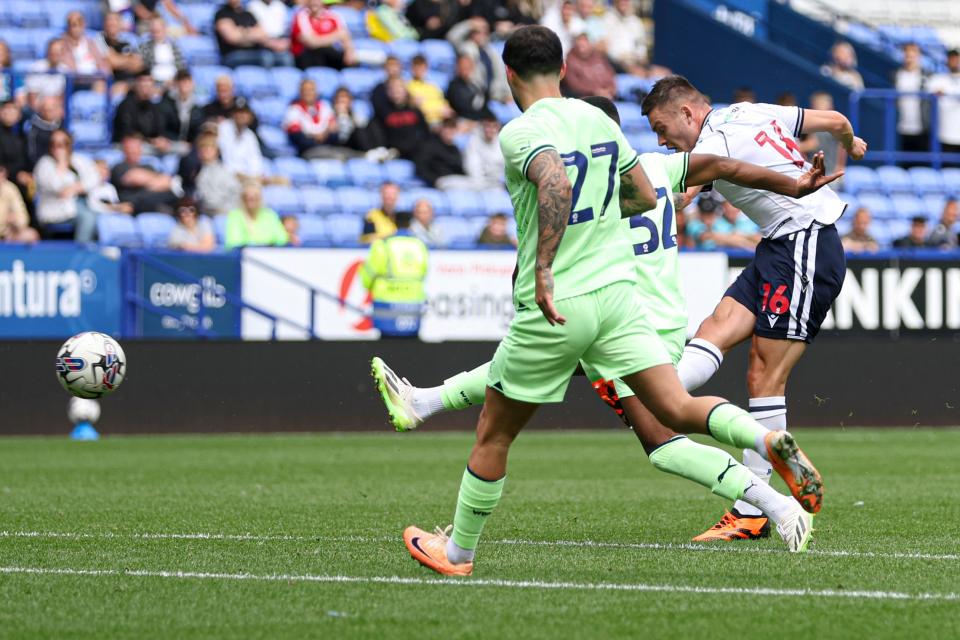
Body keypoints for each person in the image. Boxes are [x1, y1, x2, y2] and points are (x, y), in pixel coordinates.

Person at [383, 29, 827, 576]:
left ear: (508, 74)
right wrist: (793, 183)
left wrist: (544, 263)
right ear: (565, 67)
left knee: (524, 430)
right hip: (625, 307)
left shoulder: (523, 132)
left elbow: (554, 184)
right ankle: (766, 440)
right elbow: (700, 174)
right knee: (674, 408)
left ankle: (457, 553)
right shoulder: (609, 132)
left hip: (567, 302)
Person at [641, 75, 865, 540]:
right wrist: (853, 143)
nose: (661, 141)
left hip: (805, 241)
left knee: (764, 374)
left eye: (662, 128)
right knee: (714, 328)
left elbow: (678, 189)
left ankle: (750, 510)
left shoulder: (713, 143)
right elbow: (838, 120)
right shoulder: (752, 110)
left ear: (687, 113)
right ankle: (657, 394)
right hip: (777, 246)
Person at [360, 211, 429, 338]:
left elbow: (368, 274)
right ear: (410, 225)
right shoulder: (419, 245)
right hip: (413, 306)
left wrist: (369, 287)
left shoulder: (383, 245)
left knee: (386, 351)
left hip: (387, 306)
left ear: (393, 223)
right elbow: (424, 272)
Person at [33, 130, 99, 242]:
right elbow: (58, 188)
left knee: (102, 218)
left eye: (63, 143)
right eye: (54, 144)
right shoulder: (44, 164)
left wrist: (75, 188)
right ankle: (80, 253)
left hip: (84, 203)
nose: (59, 147)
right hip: (56, 210)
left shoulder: (79, 159)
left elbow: (94, 178)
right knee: (88, 218)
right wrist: (61, 163)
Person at [446, 17, 510, 103]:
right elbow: (452, 36)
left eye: (485, 32)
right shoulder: (466, 47)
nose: (482, 35)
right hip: (473, 94)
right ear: (471, 34)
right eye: (477, 32)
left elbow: (500, 74)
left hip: (493, 96)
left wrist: (505, 94)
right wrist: (470, 24)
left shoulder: (491, 51)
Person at [111, 135, 181, 214]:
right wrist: (155, 181)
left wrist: (148, 181)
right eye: (130, 148)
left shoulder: (148, 166)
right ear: (124, 150)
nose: (133, 151)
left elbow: (167, 181)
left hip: (158, 200)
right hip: (136, 205)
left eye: (136, 147)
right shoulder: (119, 167)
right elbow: (135, 178)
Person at [215, 0, 293, 69]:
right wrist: (252, 34)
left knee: (285, 58)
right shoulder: (222, 13)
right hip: (232, 55)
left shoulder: (247, 14)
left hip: (254, 52)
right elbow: (232, 38)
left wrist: (242, 32)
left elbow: (262, 34)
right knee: (265, 57)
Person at [112, 73, 179, 153]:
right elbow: (127, 132)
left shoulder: (155, 107)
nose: (145, 91)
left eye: (148, 87)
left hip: (150, 147)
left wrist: (161, 139)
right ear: (136, 87)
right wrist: (150, 140)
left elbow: (160, 129)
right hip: (128, 148)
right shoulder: (126, 105)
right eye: (142, 87)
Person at [290, 0, 357, 71]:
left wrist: (349, 51)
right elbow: (310, 42)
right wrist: (335, 36)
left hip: (329, 53)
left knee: (349, 60)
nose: (314, 2)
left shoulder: (333, 16)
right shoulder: (301, 16)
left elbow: (344, 35)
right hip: (307, 56)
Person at [374, 78, 429, 160]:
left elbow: (425, 131)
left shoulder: (414, 109)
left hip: (416, 148)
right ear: (388, 92)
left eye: (398, 88)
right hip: (394, 149)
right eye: (392, 88)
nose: (395, 91)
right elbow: (379, 133)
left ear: (405, 90)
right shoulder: (382, 110)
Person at [283, 79, 338, 159]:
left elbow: (334, 134)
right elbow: (298, 138)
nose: (308, 93)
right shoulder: (293, 110)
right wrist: (319, 136)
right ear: (300, 92)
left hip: (328, 147)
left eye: (311, 90)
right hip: (306, 151)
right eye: (305, 90)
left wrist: (317, 135)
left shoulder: (325, 107)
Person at [414, 117, 475, 189]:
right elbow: (420, 167)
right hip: (440, 180)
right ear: (441, 129)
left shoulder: (454, 148)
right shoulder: (429, 145)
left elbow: (459, 167)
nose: (450, 132)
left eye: (453, 129)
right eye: (447, 128)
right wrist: (434, 180)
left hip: (455, 179)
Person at [59, 12, 112, 92]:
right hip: (75, 84)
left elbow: (103, 65)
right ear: (68, 26)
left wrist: (102, 75)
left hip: (95, 80)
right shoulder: (62, 44)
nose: (77, 27)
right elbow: (70, 71)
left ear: (84, 24)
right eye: (74, 24)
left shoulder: (91, 42)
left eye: (80, 23)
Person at [224, 183, 288, 248]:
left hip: (269, 253)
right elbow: (234, 242)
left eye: (255, 197)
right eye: (247, 197)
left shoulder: (270, 215)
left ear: (260, 198)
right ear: (242, 198)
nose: (251, 199)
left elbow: (282, 239)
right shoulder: (235, 216)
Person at [895, 42, 929, 161]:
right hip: (901, 127)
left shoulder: (926, 76)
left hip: (921, 129)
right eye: (907, 54)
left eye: (913, 54)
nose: (909, 57)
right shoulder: (896, 75)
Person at [97, 12, 145, 97]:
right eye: (109, 24)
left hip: (131, 81)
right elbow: (112, 62)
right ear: (104, 25)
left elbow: (138, 64)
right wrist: (128, 58)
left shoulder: (130, 38)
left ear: (120, 24)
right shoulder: (99, 38)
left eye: (114, 24)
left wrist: (118, 59)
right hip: (111, 82)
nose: (111, 26)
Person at [194, 131, 241, 217]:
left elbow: (236, 191)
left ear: (217, 151)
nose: (206, 151)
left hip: (227, 211)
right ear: (198, 152)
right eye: (203, 148)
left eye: (210, 148)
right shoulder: (195, 171)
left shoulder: (225, 171)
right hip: (207, 214)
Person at [799, 92, 846, 178]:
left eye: (819, 104)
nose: (814, 107)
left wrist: (790, 147)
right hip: (823, 172)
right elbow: (843, 145)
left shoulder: (818, 124)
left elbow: (812, 144)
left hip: (825, 174)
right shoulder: (834, 124)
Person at [926, 49, 960, 164]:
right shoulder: (938, 79)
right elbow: (929, 91)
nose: (955, 61)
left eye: (957, 58)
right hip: (944, 134)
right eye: (953, 58)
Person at [218, 101, 264, 182]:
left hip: (248, 177)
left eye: (245, 113)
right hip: (227, 176)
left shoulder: (250, 135)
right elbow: (225, 160)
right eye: (239, 112)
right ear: (233, 114)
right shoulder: (223, 129)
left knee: (282, 181)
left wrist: (254, 175)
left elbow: (255, 160)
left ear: (250, 116)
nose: (242, 116)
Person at [561, 31, 615, 99]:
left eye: (585, 41)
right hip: (585, 100)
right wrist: (595, 92)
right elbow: (574, 85)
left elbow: (611, 76)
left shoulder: (599, 58)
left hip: (608, 97)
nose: (582, 45)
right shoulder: (570, 62)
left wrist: (610, 90)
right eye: (580, 42)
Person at [602, 0, 649, 77]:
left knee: (662, 74)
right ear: (615, 2)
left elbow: (641, 45)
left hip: (636, 61)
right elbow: (608, 50)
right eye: (620, 1)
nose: (623, 2)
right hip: (616, 64)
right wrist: (626, 64)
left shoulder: (635, 21)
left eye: (626, 1)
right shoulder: (606, 19)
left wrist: (640, 59)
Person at [0, 100, 33, 207]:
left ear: (19, 115)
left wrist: (27, 174)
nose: (9, 112)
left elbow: (27, 161)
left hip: (20, 182)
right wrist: (16, 175)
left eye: (13, 109)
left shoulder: (22, 137)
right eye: (6, 109)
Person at [139, 17, 187, 86]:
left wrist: (175, 80)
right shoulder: (145, 47)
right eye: (153, 31)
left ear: (164, 29)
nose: (155, 34)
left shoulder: (175, 46)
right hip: (153, 84)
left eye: (158, 31)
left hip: (174, 82)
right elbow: (144, 68)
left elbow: (181, 66)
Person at [407, 55, 453, 126]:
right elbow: (420, 110)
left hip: (441, 122)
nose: (419, 70)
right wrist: (438, 111)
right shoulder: (408, 86)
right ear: (412, 68)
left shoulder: (433, 86)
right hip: (423, 123)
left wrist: (445, 110)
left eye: (422, 67)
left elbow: (444, 105)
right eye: (417, 67)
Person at [463, 111, 505, 188]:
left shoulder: (502, 141)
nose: (491, 130)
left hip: (499, 183)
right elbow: (472, 166)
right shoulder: (473, 141)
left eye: (494, 126)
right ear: (482, 126)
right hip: (479, 183)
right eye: (488, 126)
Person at [0, 166, 39, 243]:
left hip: (7, 234)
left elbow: (23, 217)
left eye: (2, 178)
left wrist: (16, 221)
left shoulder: (10, 189)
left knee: (31, 235)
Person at [446, 55, 489, 121]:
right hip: (463, 120)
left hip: (480, 119)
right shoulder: (454, 86)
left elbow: (485, 102)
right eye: (462, 67)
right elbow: (462, 109)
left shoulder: (476, 85)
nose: (465, 70)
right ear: (457, 67)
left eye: (468, 67)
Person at [26, 96, 64, 168]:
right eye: (45, 109)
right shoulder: (33, 130)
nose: (48, 112)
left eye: (51, 110)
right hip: (42, 167)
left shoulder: (63, 125)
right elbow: (32, 155)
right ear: (40, 110)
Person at [168, 70, 204, 144]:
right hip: (170, 144)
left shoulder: (198, 106)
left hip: (191, 145)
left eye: (187, 81)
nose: (184, 84)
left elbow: (198, 129)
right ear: (176, 84)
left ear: (192, 84)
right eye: (181, 81)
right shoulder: (167, 103)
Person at [132, 0, 197, 36]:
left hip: (156, 21)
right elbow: (140, 11)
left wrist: (185, 22)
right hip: (143, 24)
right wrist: (155, 21)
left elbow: (169, 5)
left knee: (186, 31)